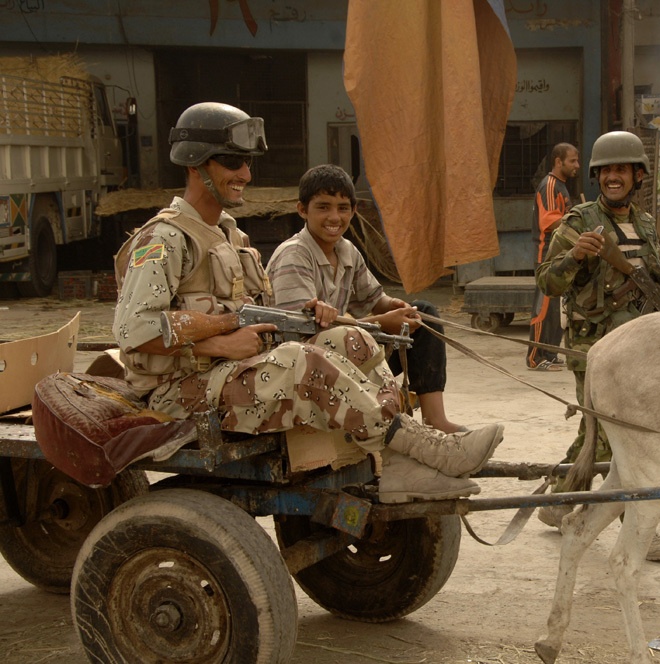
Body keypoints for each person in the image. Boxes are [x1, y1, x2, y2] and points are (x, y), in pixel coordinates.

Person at [112, 102, 503, 503]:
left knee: (354, 340)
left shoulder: (230, 235)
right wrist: (222, 337)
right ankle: (429, 450)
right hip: (177, 392)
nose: (245, 174)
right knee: (302, 361)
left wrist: (307, 316)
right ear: (195, 166)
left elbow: (262, 311)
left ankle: (398, 464)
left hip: (228, 372)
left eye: (246, 162)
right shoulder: (165, 238)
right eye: (231, 162)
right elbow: (133, 330)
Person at [534, 131, 660, 560]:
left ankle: (558, 501)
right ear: (597, 176)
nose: (614, 178)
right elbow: (548, 280)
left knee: (610, 435)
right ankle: (635, 526)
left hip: (643, 351)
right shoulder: (580, 222)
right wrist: (575, 257)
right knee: (608, 436)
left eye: (622, 170)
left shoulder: (645, 224)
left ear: (637, 175)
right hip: (595, 346)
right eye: (607, 171)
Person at [266, 163, 464, 433]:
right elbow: (298, 333)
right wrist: (382, 323)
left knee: (422, 311)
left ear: (353, 210)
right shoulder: (295, 255)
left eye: (342, 208)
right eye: (323, 207)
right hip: (304, 364)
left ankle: (435, 420)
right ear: (302, 210)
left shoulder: (347, 251)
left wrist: (394, 307)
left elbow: (375, 299)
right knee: (363, 336)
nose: (334, 217)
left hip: (341, 352)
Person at [526, 143, 580, 371]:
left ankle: (549, 352)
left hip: (560, 255)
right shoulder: (549, 185)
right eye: (572, 161)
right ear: (558, 162)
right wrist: (577, 218)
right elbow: (548, 221)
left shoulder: (562, 186)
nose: (576, 165)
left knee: (557, 311)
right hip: (546, 256)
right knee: (544, 309)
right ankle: (535, 357)